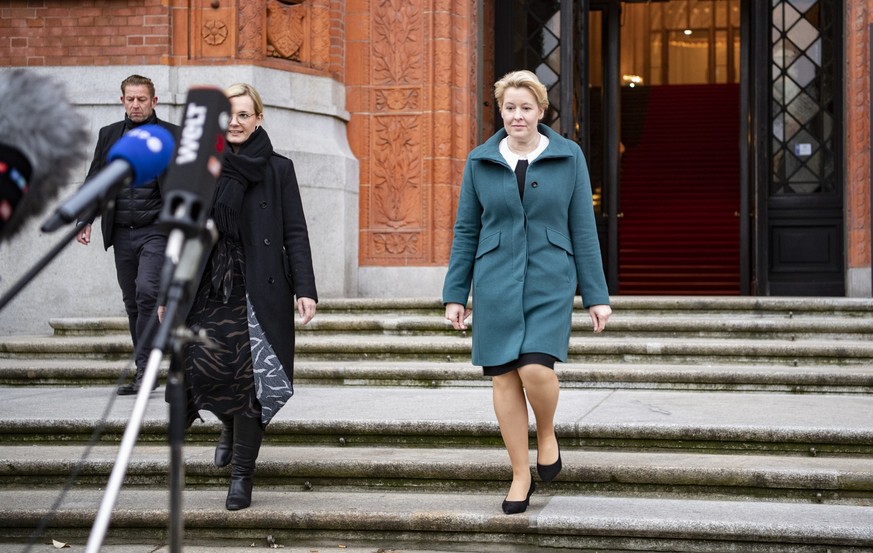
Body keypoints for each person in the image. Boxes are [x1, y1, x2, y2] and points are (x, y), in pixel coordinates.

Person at [442, 70, 611, 515]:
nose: (518, 115)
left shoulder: (568, 156)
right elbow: (466, 230)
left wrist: (596, 295)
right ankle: (520, 475)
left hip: (550, 277)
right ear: (502, 112)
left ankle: (548, 431)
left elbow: (583, 228)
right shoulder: (480, 159)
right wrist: (455, 294)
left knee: (535, 370)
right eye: (510, 108)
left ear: (541, 110)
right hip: (495, 278)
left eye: (526, 107)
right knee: (503, 377)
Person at [181, 83, 317, 511]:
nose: (235, 123)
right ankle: (229, 425)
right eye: (228, 116)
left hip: (260, 286)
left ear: (258, 118)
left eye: (243, 115)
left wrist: (306, 288)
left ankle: (242, 475)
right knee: (205, 370)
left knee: (252, 382)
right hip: (210, 285)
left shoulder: (278, 168)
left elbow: (295, 231)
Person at [77, 74, 180, 395]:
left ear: (154, 101)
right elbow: (96, 177)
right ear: (122, 100)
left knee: (147, 292)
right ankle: (144, 368)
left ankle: (146, 371)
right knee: (132, 303)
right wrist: (85, 218)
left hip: (156, 230)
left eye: (142, 99)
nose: (136, 105)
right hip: (122, 231)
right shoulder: (109, 135)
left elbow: (187, 181)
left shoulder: (171, 135)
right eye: (130, 99)